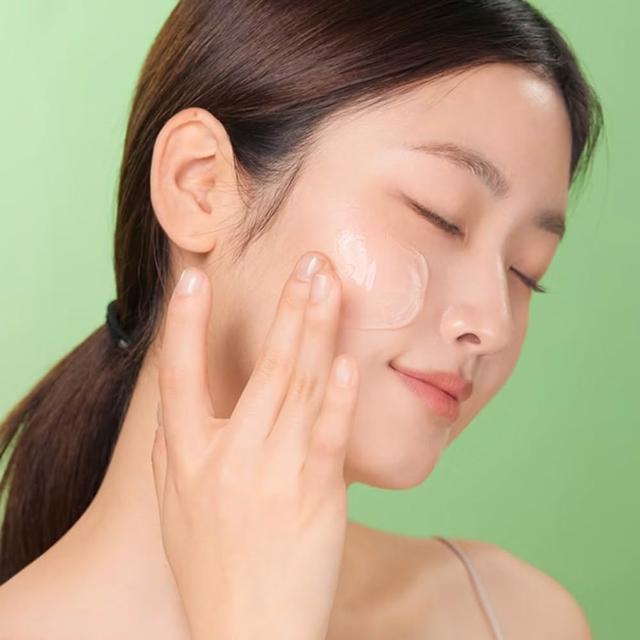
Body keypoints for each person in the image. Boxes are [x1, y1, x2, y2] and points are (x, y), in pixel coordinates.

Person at [0, 1, 603, 638]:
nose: (493, 323)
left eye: (526, 271)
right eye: (440, 216)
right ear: (199, 185)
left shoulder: (515, 616)